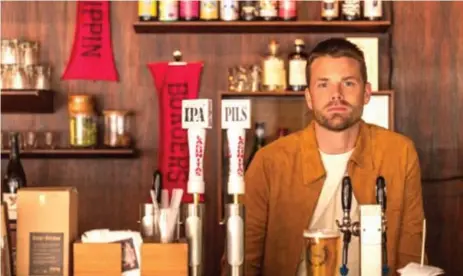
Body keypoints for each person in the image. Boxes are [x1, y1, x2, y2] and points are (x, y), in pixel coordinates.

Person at [222, 38, 426, 276]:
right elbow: (241, 263)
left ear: (367, 93)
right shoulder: (270, 161)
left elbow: (413, 260)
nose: (336, 95)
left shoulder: (399, 153)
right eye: (323, 85)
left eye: (348, 83)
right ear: (308, 97)